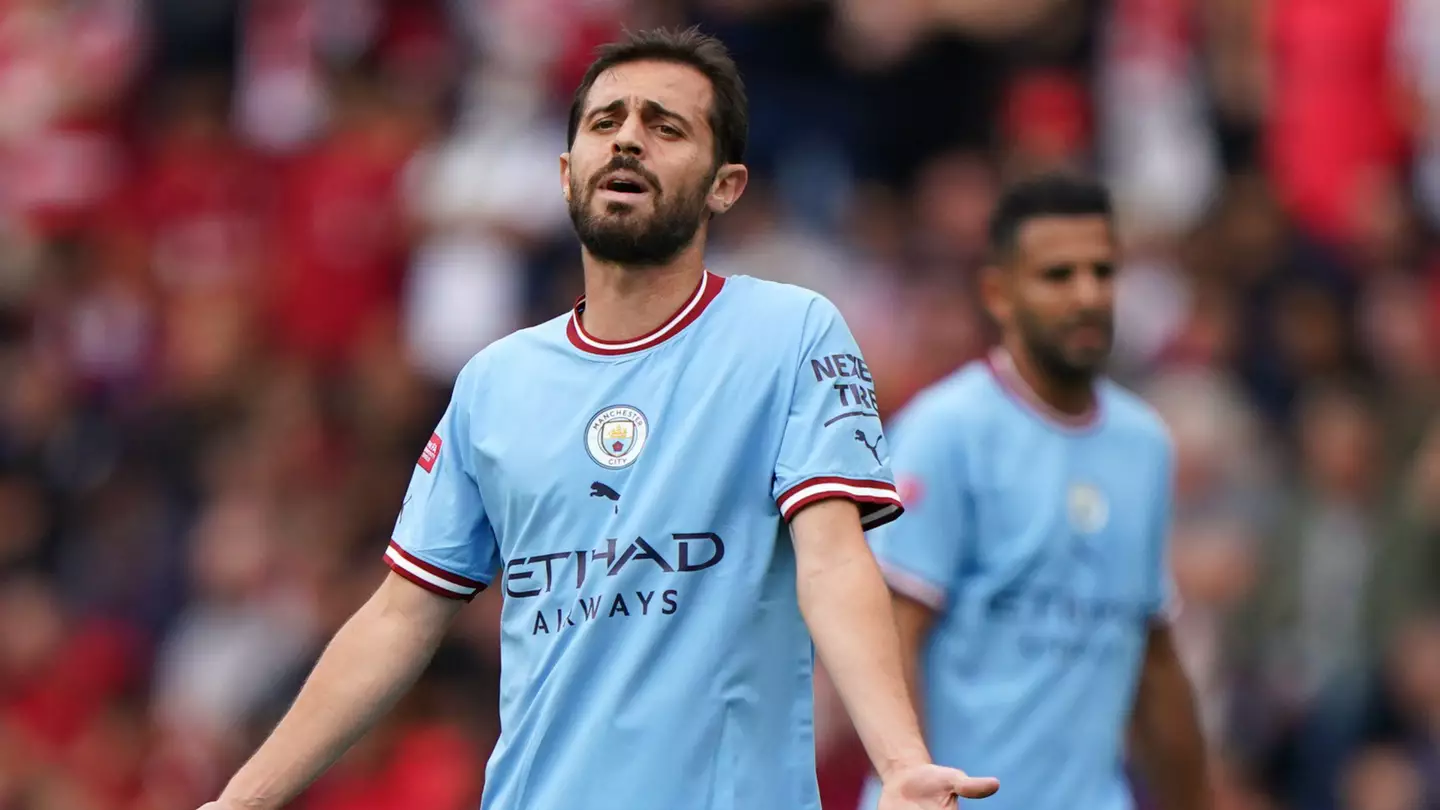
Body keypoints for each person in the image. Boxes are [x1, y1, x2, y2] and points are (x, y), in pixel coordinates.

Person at [197, 27, 999, 810]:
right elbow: (399, 616)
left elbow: (831, 562)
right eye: (605, 122)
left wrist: (900, 763)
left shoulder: (791, 333)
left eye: (666, 126)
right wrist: (242, 800)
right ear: (566, 170)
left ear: (726, 184)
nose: (628, 141)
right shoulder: (495, 382)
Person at [855, 174, 1209, 810]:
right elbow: (889, 640)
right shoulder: (947, 431)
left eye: (1103, 272)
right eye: (1058, 275)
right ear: (999, 292)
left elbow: (1152, 655)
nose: (1088, 294)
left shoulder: (1144, 445)